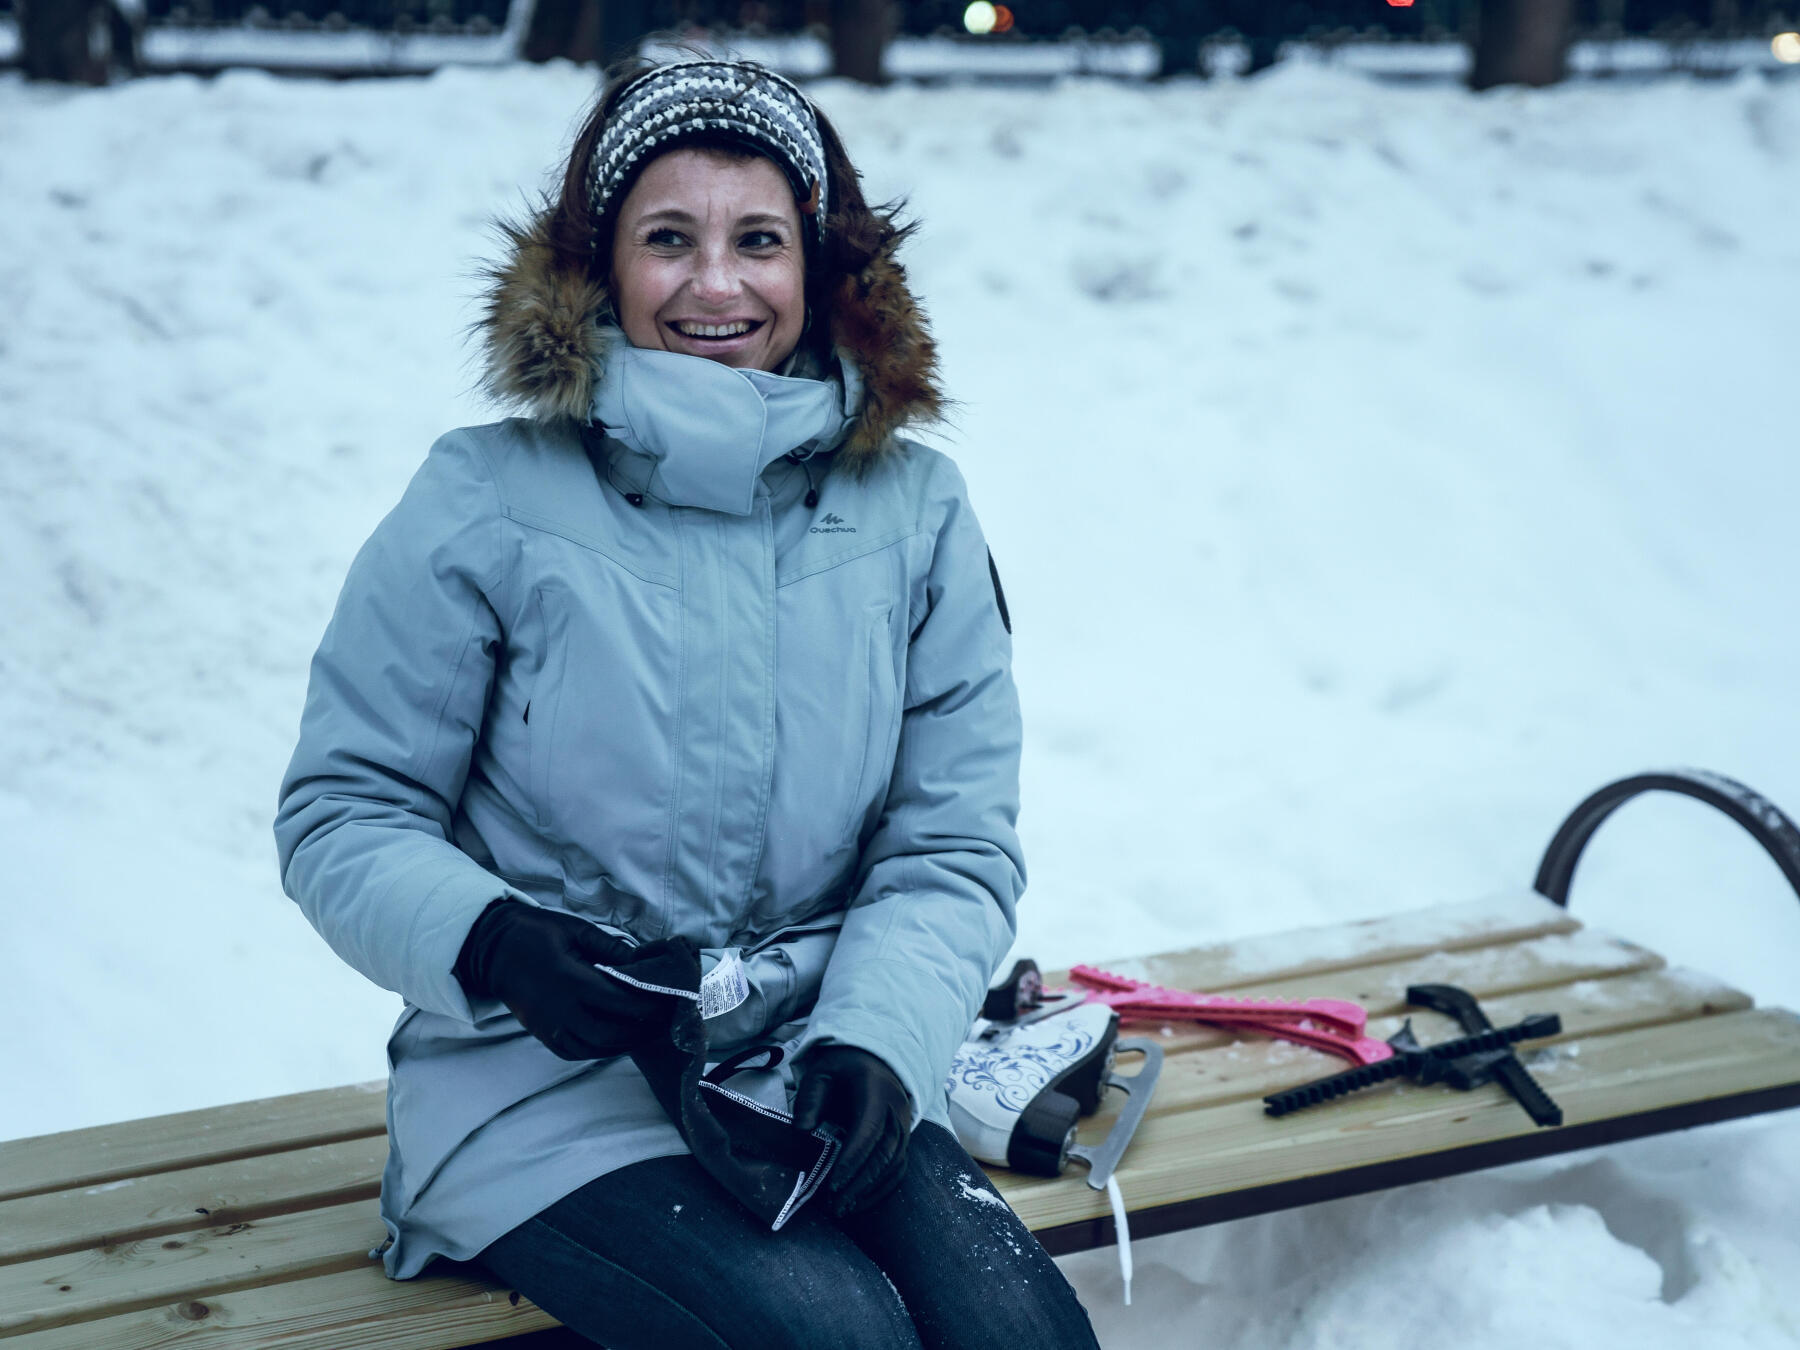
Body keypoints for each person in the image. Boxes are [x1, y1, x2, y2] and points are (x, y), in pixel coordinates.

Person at [274, 56, 1100, 1349]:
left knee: (1020, 1331)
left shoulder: (917, 512)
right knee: (832, 1337)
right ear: (600, 266)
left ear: (823, 268)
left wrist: (879, 1044)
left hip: (820, 1067)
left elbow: (950, 842)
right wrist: (493, 941)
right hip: (543, 1088)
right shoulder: (485, 497)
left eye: (757, 239)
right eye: (671, 238)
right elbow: (343, 810)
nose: (716, 283)